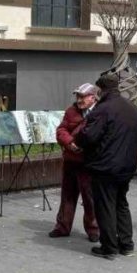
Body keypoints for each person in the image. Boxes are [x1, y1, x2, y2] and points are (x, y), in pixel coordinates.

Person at [77, 73, 137, 260]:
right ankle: (127, 244)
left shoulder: (102, 109)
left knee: (105, 206)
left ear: (101, 90)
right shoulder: (133, 110)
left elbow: (89, 136)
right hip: (127, 165)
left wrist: (79, 138)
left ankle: (109, 247)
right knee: (121, 204)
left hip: (105, 166)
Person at [52, 83, 100, 241]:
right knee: (67, 195)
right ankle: (62, 226)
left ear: (93, 97)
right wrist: (69, 142)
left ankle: (93, 229)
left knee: (89, 198)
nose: (79, 100)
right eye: (77, 96)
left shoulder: (100, 112)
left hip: (88, 162)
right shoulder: (71, 111)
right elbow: (61, 130)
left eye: (82, 96)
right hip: (71, 160)